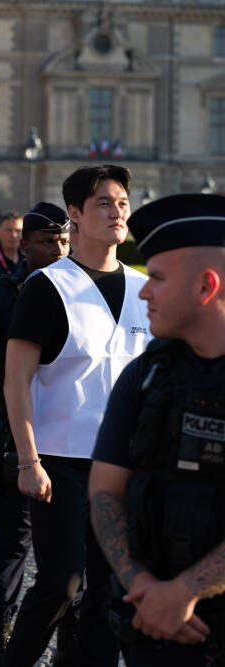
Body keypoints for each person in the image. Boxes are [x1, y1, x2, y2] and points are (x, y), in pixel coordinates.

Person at [2, 165, 151, 667]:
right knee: (61, 583)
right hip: (59, 464)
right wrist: (28, 460)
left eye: (123, 203)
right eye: (105, 203)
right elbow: (15, 379)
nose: (117, 213)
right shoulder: (48, 287)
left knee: (111, 590)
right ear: (75, 214)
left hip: (125, 466)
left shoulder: (145, 288)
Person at [89, 193, 225, 665]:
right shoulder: (146, 375)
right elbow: (105, 491)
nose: (144, 290)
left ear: (207, 287)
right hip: (149, 627)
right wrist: (145, 588)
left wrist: (183, 593)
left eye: (159, 278)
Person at [0, 202, 71, 664]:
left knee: (71, 552)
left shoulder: (81, 292)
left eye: (65, 240)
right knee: (12, 542)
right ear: (22, 245)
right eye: (47, 241)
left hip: (74, 442)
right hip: (15, 441)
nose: (59, 249)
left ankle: (71, 643)